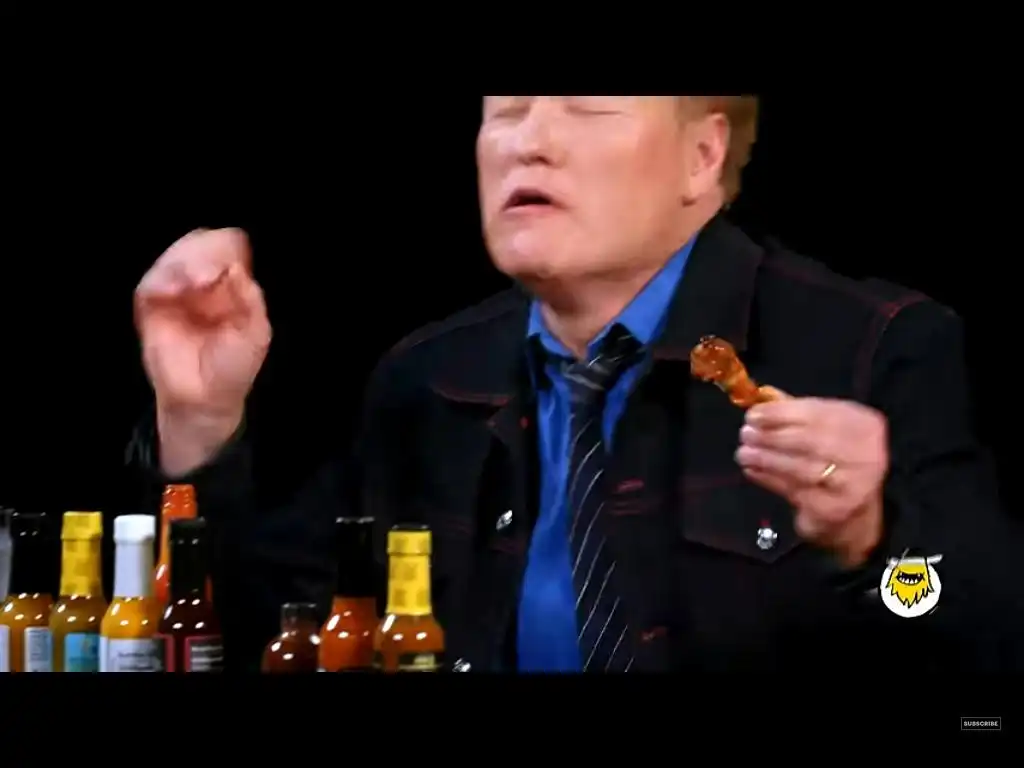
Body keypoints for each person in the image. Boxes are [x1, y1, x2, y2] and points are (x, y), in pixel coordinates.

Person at [128, 96, 1017, 673]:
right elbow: (257, 635)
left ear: (703, 156)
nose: (530, 142)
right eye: (506, 110)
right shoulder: (427, 379)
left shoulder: (873, 348)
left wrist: (876, 540)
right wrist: (199, 425)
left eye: (586, 105)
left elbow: (985, 636)